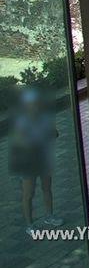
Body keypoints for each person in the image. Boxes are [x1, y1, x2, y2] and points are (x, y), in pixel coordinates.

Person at [9, 88, 62, 234]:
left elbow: (55, 133)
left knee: (47, 188)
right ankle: (29, 225)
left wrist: (51, 132)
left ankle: (50, 216)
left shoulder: (45, 118)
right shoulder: (22, 121)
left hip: (43, 159)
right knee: (29, 193)